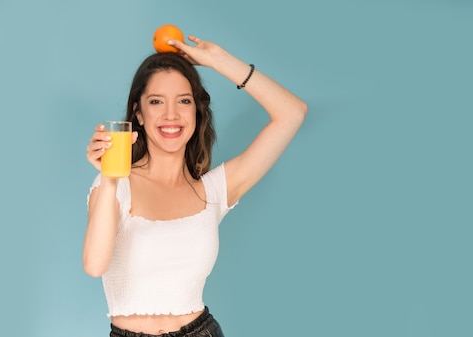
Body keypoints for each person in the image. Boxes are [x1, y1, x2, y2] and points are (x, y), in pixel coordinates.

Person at [83, 33, 308, 337]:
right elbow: (95, 266)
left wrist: (218, 60)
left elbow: (292, 113)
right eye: (156, 102)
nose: (171, 115)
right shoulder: (115, 184)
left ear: (197, 110)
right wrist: (110, 181)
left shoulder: (214, 191)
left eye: (184, 101)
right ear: (138, 112)